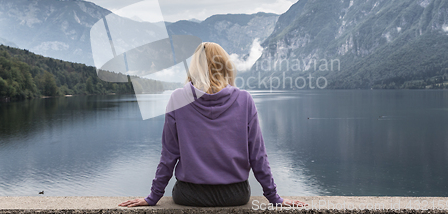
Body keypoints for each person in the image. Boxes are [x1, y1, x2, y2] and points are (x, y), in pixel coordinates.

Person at [118, 42, 307, 208]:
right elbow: (257, 155)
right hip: (235, 195)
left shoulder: (177, 98)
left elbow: (169, 155)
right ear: (225, 66)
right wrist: (274, 197)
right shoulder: (245, 100)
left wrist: (153, 197)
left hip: (189, 195)